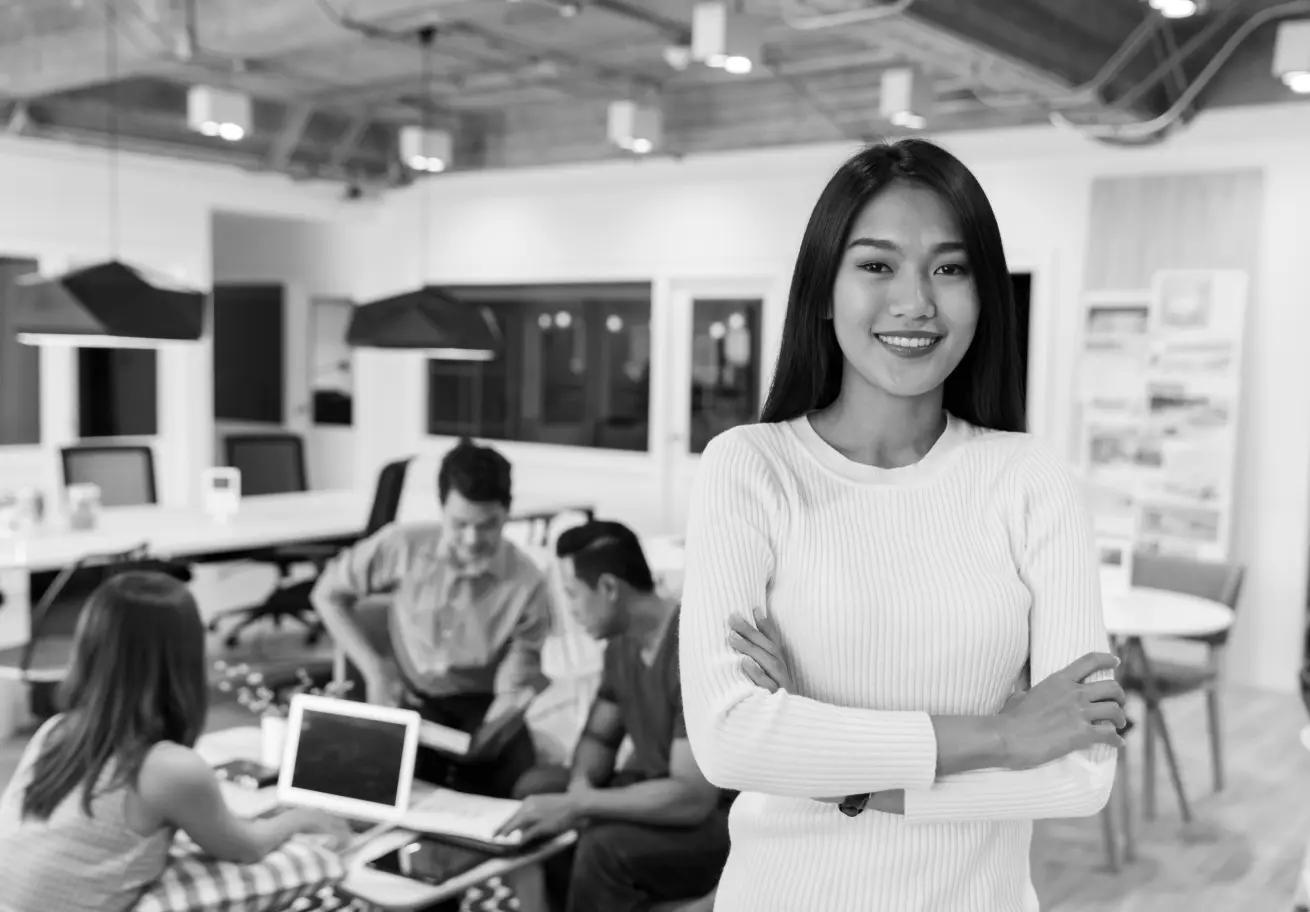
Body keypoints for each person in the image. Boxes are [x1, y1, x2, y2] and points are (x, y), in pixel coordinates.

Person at [678, 138, 1127, 912]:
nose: (916, 301)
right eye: (877, 265)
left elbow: (1081, 772)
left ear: (984, 295)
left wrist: (844, 773)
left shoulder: (1031, 480)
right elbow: (732, 740)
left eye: (949, 269)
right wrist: (1003, 736)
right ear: (824, 288)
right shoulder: (750, 467)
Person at [0, 571, 348, 912]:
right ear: (184, 657)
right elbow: (246, 849)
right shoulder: (167, 769)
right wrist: (301, 818)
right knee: (303, 866)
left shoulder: (55, 731)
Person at [500, 520, 728, 912]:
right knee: (535, 787)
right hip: (656, 787)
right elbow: (598, 738)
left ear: (608, 588)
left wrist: (583, 805)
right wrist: (580, 788)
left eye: (572, 595)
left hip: (715, 820)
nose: (569, 611)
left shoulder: (691, 649)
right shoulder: (621, 646)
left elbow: (691, 797)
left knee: (602, 848)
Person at [312, 438, 552, 798]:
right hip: (411, 698)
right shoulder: (403, 546)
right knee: (380, 787)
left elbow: (514, 680)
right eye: (460, 524)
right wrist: (375, 668)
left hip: (482, 705)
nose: (472, 539)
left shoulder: (527, 581)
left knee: (516, 788)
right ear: (442, 509)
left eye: (488, 525)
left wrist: (499, 721)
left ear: (507, 513)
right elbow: (327, 594)